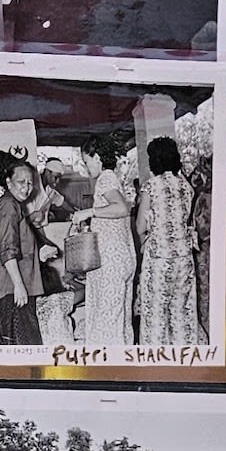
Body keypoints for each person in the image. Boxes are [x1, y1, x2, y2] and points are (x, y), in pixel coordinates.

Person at [69, 133, 136, 347]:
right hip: (123, 258)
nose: (86, 168)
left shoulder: (105, 178)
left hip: (110, 262)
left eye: (87, 162)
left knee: (107, 320)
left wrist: (89, 212)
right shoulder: (113, 177)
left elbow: (121, 208)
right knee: (121, 319)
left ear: (97, 157)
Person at [136, 137, 200, 346]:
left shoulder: (151, 187)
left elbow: (140, 227)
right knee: (182, 313)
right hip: (184, 258)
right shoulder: (186, 186)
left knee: (155, 314)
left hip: (159, 259)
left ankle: (154, 365)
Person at [0, 158, 47, 346]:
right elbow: (7, 249)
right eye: (21, 182)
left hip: (11, 291)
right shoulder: (8, 205)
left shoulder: (12, 205)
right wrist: (19, 286)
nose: (26, 188)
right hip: (10, 292)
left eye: (30, 183)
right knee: (21, 353)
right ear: (8, 182)